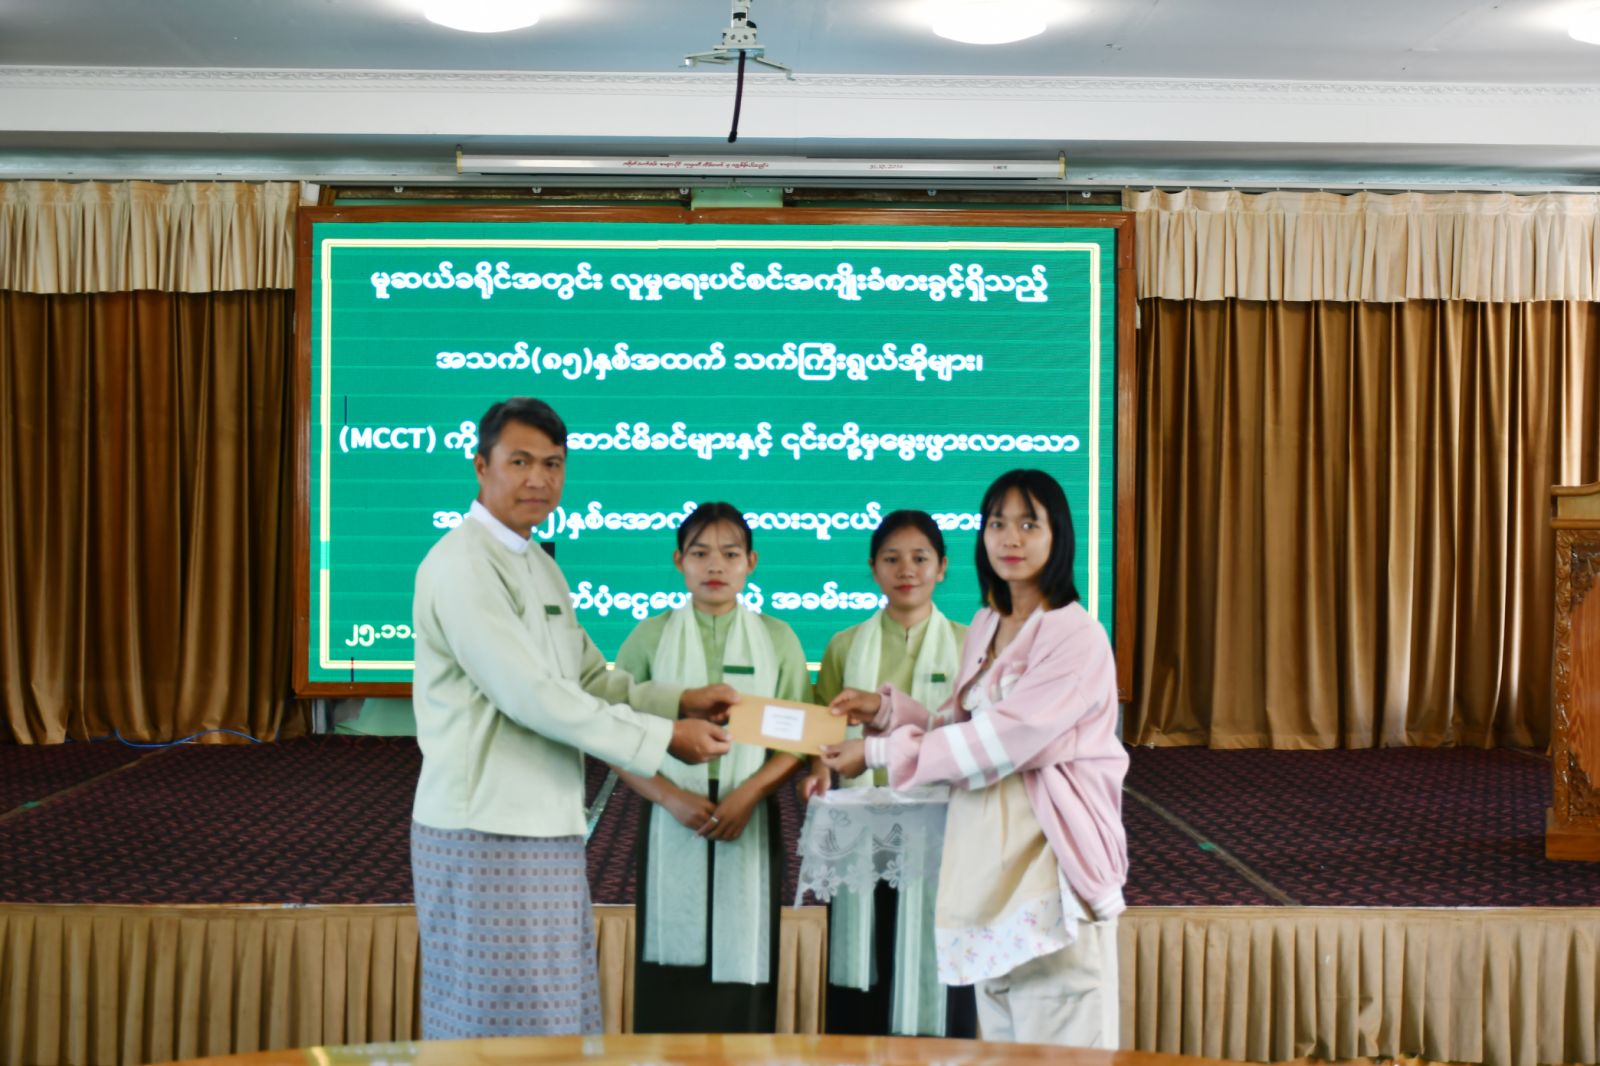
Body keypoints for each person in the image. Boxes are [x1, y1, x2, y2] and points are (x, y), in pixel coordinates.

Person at [410, 397, 735, 1040]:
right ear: (481, 466)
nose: (539, 479)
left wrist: (680, 701)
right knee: (492, 1028)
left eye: (553, 464)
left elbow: (587, 679)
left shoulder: (538, 563)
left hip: (546, 826)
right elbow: (531, 695)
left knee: (551, 1019)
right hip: (484, 829)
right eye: (520, 461)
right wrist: (665, 738)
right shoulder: (462, 564)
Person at [820, 469, 1128, 1048]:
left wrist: (879, 751)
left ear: (1059, 535)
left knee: (1061, 1048)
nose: (1010, 538)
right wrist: (886, 711)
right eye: (997, 524)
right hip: (991, 869)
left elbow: (1003, 741)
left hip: (1050, 863)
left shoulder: (1076, 636)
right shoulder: (988, 623)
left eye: (1029, 524)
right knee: (1004, 1043)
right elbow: (962, 727)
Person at [610, 502, 812, 1033]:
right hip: (671, 812)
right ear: (679, 561)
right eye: (700, 553)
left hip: (750, 813)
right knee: (670, 973)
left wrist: (748, 795)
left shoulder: (778, 638)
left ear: (751, 562)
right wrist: (670, 798)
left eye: (729, 553)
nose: (715, 565)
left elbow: (799, 740)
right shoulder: (648, 636)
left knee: (746, 962)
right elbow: (615, 735)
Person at [806, 509, 975, 1038]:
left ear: (942, 567)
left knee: (939, 958)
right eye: (892, 558)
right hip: (863, 829)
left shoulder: (971, 645)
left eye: (920, 558)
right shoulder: (844, 644)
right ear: (873, 568)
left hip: (944, 828)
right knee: (867, 963)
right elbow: (823, 733)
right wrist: (817, 769)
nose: (906, 570)